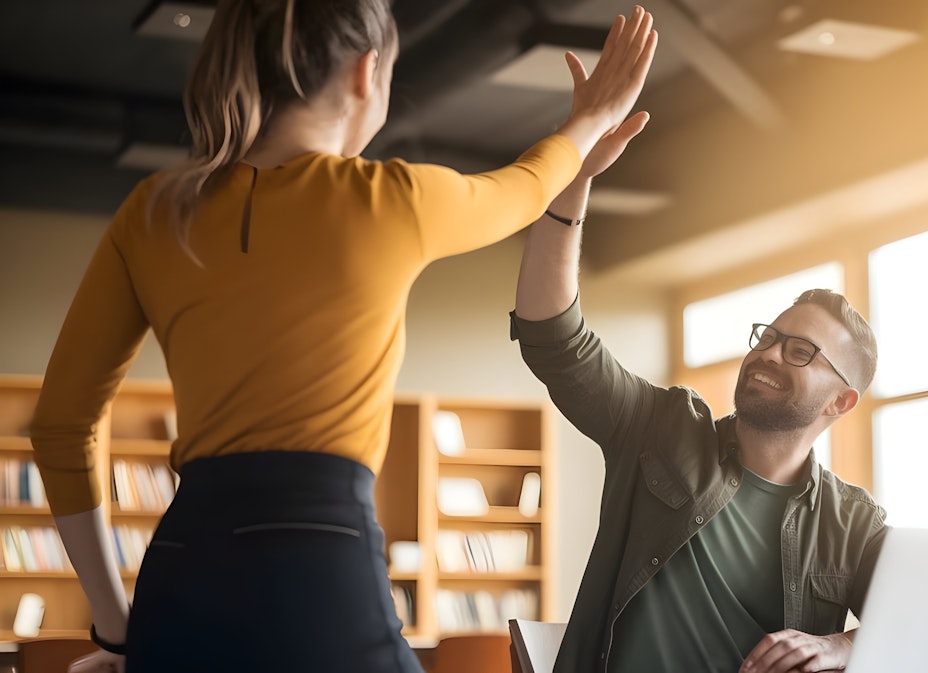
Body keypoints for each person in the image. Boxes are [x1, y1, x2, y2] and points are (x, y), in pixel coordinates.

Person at [28, 1, 657, 671]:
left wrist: (121, 629)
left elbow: (61, 427)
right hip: (317, 557)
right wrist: (590, 119)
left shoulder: (153, 211)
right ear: (367, 73)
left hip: (183, 570)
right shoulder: (389, 199)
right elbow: (526, 187)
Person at [510, 154, 887, 672]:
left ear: (840, 402)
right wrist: (577, 176)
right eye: (770, 337)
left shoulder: (854, 523)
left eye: (801, 351)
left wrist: (838, 646)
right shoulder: (660, 428)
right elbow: (554, 340)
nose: (771, 353)